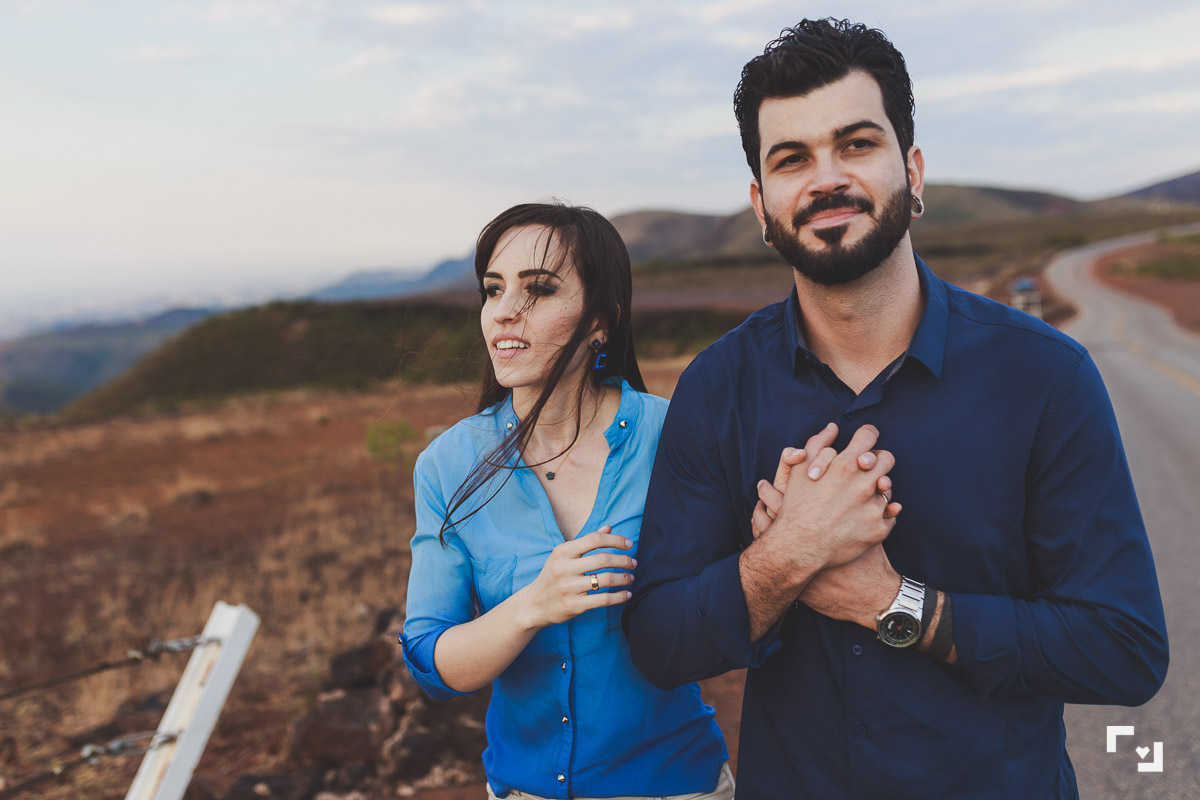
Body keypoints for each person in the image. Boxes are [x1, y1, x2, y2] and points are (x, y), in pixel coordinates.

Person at [623, 18, 1169, 799]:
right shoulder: (717, 387)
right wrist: (787, 558)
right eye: (791, 158)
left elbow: (1123, 649)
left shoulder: (1044, 377)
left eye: (856, 144)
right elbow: (660, 643)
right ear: (761, 205)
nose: (826, 179)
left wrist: (892, 603)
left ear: (912, 173)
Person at [400, 202, 733, 799]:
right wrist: (533, 605)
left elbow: (736, 603)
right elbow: (432, 660)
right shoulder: (448, 465)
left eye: (539, 289)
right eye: (493, 289)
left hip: (674, 784)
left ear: (602, 319)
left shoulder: (675, 435)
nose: (505, 310)